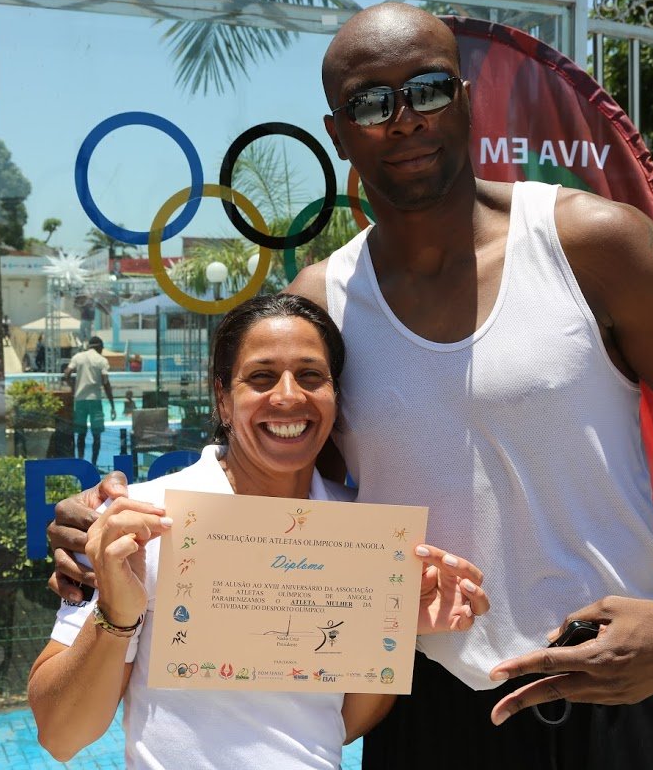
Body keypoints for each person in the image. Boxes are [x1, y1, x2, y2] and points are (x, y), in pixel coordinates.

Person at [48, 3, 653, 769]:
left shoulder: (592, 243)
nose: (403, 119)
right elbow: (266, 471)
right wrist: (112, 516)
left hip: (628, 692)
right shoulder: (327, 297)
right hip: (425, 710)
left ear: (468, 100)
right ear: (339, 134)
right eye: (371, 102)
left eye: (429, 89)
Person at [27, 294, 489, 767]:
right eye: (262, 377)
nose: (288, 395)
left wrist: (392, 628)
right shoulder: (139, 524)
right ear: (223, 398)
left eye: (311, 376)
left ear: (335, 398)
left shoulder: (364, 537)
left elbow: (341, 726)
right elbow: (61, 737)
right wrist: (117, 614)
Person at [64, 335, 116, 464]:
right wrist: (112, 404)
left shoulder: (78, 357)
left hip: (80, 400)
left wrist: (73, 387)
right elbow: (106, 382)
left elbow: (67, 373)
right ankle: (94, 463)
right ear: (99, 347)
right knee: (96, 435)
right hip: (95, 400)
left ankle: (81, 462)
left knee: (81, 434)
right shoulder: (102, 360)